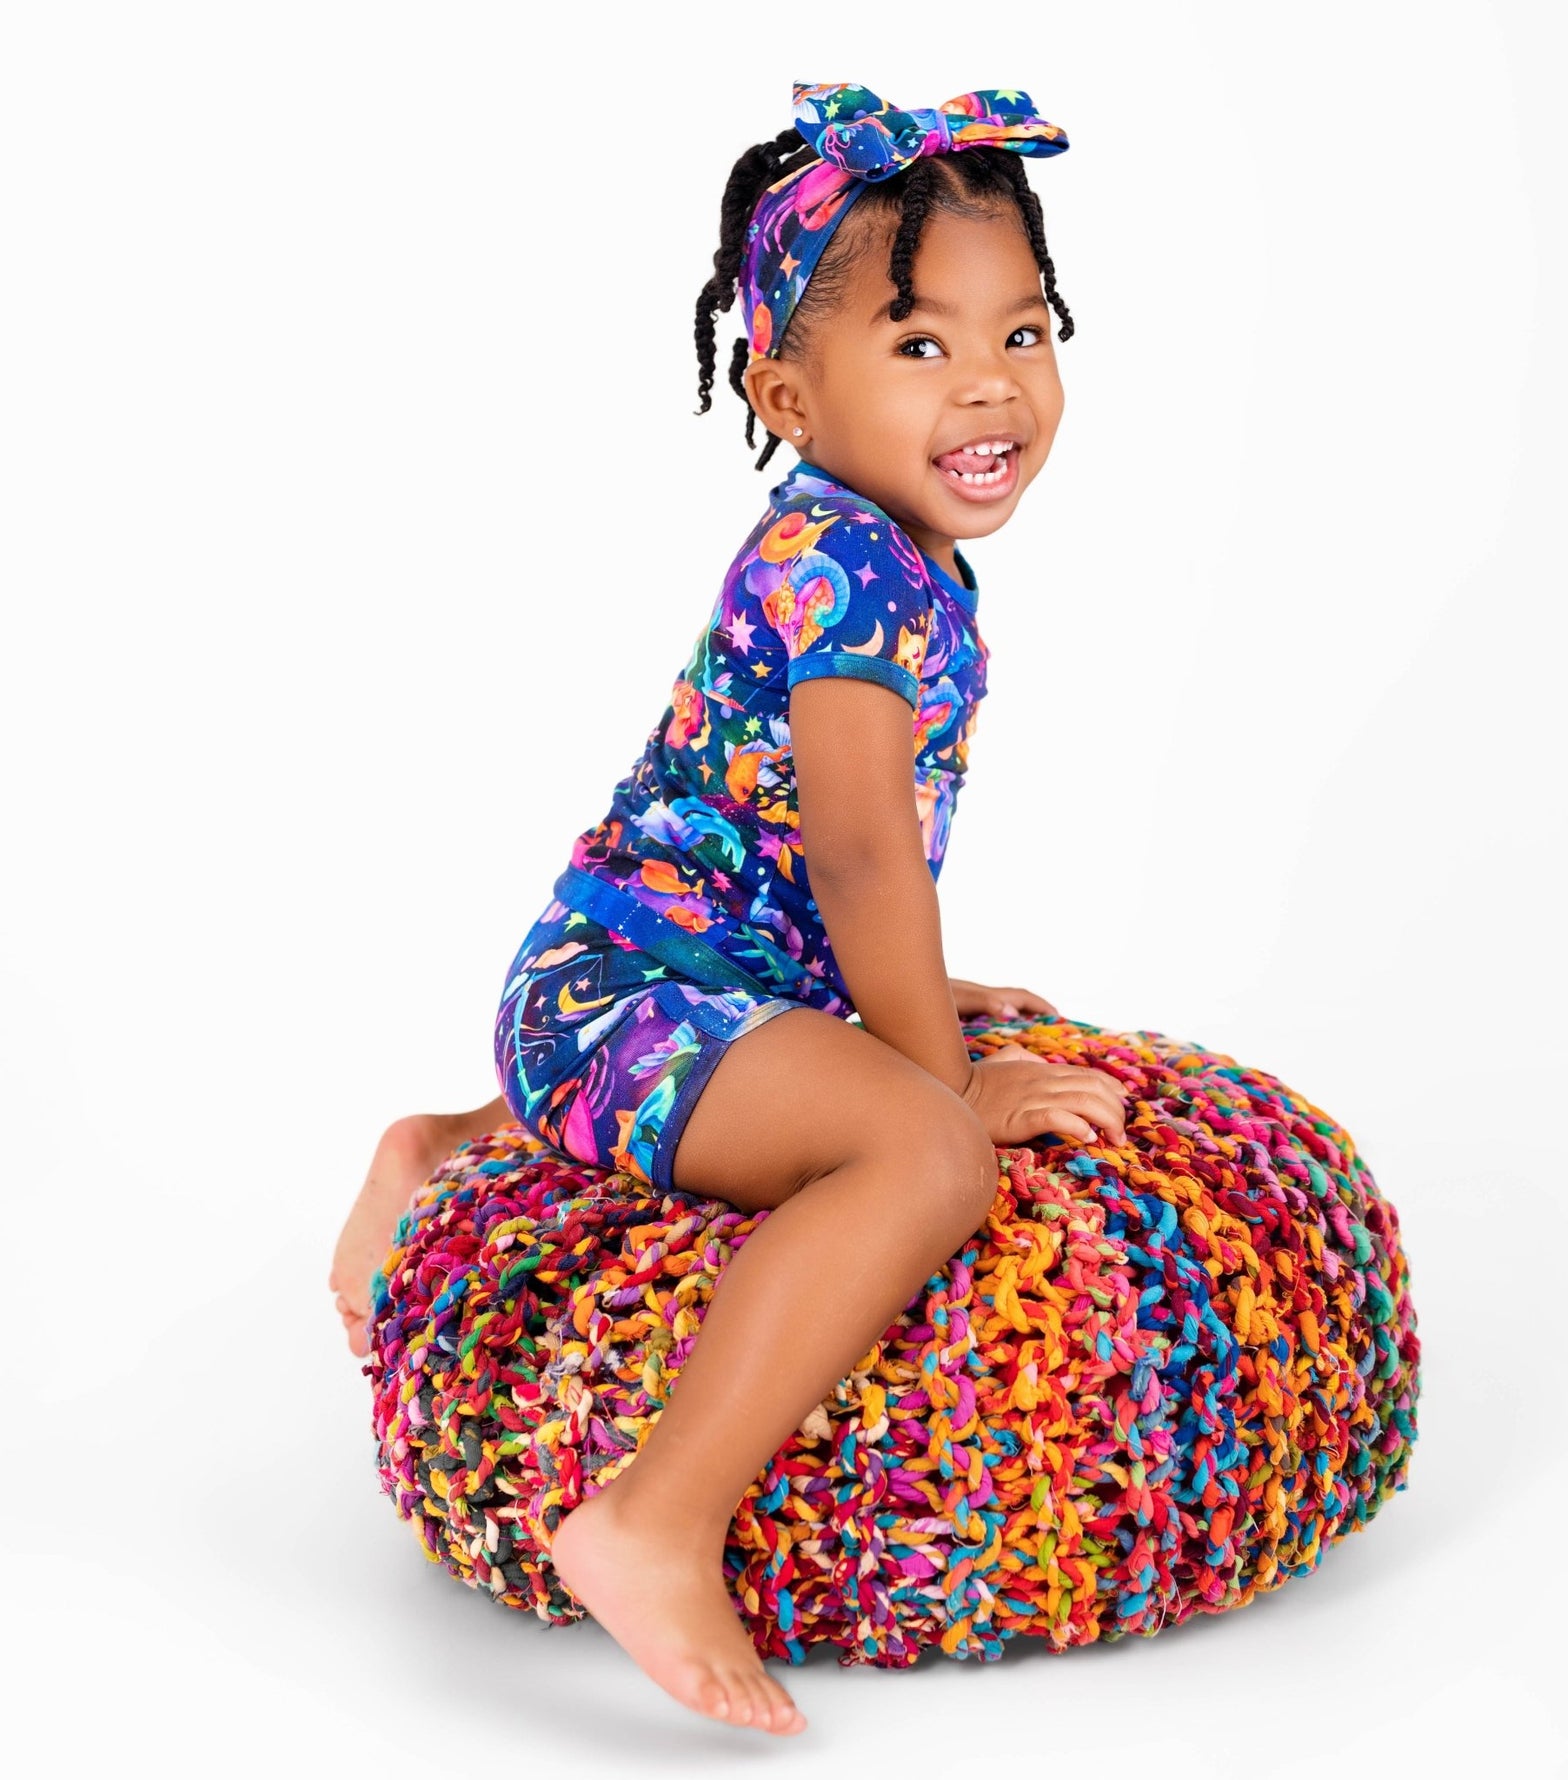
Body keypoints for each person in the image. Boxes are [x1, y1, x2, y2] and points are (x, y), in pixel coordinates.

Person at [330, 80, 1128, 1736]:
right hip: (626, 1000)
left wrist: (929, 995)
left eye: (1026, 331)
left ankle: (442, 1145)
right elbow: (855, 858)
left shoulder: (889, 553)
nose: (990, 381)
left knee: (926, 1029)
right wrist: (937, 1083)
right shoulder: (838, 575)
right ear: (783, 386)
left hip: (665, 981)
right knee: (925, 1158)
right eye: (920, 346)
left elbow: (822, 868)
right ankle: (655, 1516)